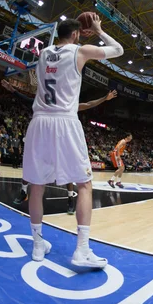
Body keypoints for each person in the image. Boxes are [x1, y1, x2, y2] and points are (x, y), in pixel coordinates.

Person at [23, 14, 123, 264]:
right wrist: (99, 30)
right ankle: (82, 250)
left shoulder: (43, 53)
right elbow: (118, 50)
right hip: (65, 121)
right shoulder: (80, 51)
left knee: (36, 186)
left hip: (39, 121)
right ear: (76, 34)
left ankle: (37, 245)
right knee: (84, 185)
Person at [3, 79, 118, 214]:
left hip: (62, 141)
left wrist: (105, 98)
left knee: (66, 171)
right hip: (44, 139)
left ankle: (70, 199)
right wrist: (13, 91)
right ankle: (23, 191)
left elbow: (88, 104)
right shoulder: (46, 103)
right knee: (31, 165)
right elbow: (28, 100)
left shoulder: (69, 105)